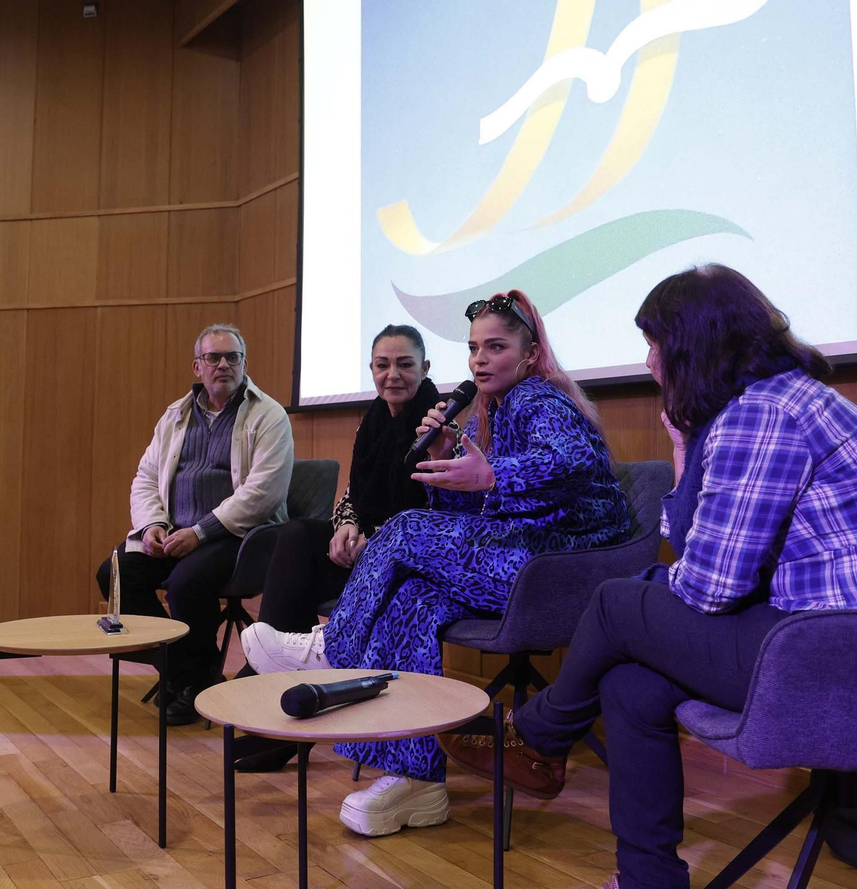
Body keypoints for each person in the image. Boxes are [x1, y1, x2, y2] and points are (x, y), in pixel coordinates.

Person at [443, 265, 857, 889]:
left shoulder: (760, 416)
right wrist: (685, 447)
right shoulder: (779, 400)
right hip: (843, 638)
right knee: (630, 681)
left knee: (613, 602)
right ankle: (647, 876)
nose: (650, 362)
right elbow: (695, 553)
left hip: (850, 655)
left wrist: (661, 577)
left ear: (693, 346)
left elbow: (711, 586)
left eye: (656, 345)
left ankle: (539, 736)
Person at [241, 290, 631, 837]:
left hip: (562, 570)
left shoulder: (542, 399)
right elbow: (469, 506)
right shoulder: (485, 413)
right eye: (474, 348)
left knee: (403, 529)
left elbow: (571, 459)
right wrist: (445, 459)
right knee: (412, 603)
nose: (479, 360)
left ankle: (334, 648)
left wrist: (490, 473)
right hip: (516, 557)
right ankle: (417, 782)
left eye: (496, 347)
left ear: (530, 353)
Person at [235, 323, 440, 773]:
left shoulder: (438, 422)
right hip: (362, 552)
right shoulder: (372, 420)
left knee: (304, 560)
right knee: (297, 536)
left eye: (405, 364)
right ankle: (281, 682)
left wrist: (374, 539)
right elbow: (354, 492)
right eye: (383, 365)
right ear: (371, 369)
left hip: (405, 564)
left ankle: (272, 697)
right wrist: (345, 527)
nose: (393, 375)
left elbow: (431, 507)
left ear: (425, 368)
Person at [95, 324, 294, 726]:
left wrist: (200, 532)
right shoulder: (176, 416)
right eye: (213, 357)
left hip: (238, 537)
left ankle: (191, 683)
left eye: (232, 357)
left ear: (244, 364)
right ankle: (185, 670)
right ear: (197, 366)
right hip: (174, 533)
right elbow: (146, 477)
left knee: (187, 583)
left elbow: (262, 493)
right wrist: (152, 524)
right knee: (115, 573)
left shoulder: (268, 415)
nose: (224, 364)